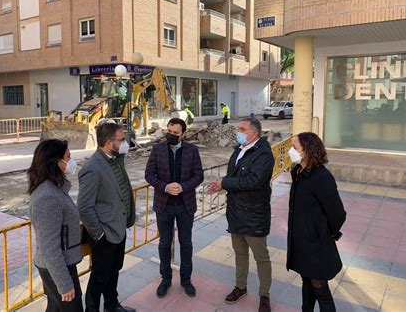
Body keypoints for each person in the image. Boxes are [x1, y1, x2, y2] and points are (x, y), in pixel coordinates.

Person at [209, 117, 274, 312]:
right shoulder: (239, 150)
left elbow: (254, 180)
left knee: (261, 257)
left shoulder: (263, 154)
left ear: (254, 133)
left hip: (254, 213)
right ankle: (241, 287)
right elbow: (234, 176)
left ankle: (264, 295)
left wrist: (225, 183)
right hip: (236, 211)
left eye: (242, 129)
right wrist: (220, 184)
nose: (238, 131)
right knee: (240, 253)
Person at [77, 122, 136, 312]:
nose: (125, 142)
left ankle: (112, 305)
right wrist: (99, 234)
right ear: (110, 143)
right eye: (122, 139)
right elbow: (84, 207)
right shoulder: (92, 168)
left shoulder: (115, 159)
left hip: (119, 227)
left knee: (114, 270)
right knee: (99, 277)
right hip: (104, 234)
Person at [287, 132, 346, 312]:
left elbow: (338, 213)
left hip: (316, 243)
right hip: (302, 240)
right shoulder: (298, 171)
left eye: (295, 147)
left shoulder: (322, 177)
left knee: (320, 287)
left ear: (307, 150)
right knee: (307, 280)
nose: (291, 150)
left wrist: (325, 231)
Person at [145, 118, 204, 298]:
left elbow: (199, 175)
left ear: (183, 134)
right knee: (164, 244)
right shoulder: (157, 149)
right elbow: (149, 175)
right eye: (169, 131)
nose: (171, 135)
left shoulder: (192, 151)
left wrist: (184, 186)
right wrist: (165, 186)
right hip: (164, 206)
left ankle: (186, 280)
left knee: (186, 244)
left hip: (186, 206)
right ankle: (166, 279)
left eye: (175, 133)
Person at [28, 139, 83, 312]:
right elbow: (48, 247)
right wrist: (64, 284)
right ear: (56, 162)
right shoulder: (47, 197)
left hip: (59, 263)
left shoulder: (54, 188)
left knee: (55, 308)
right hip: (57, 267)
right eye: (68, 157)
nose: (72, 161)